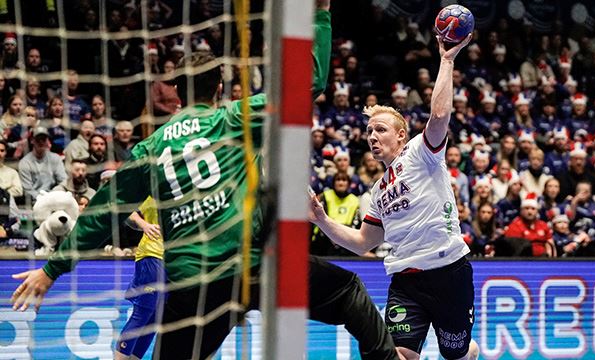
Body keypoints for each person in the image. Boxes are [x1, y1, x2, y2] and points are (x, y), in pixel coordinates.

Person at [11, 3, 400, 360]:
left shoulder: (151, 147)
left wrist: (52, 269)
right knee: (349, 292)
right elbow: (309, 85)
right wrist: (320, 15)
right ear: (218, 87)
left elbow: (102, 214)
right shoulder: (232, 119)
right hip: (252, 266)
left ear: (176, 90)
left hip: (193, 283)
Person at [310, 34, 479, 360]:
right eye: (370, 131)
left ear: (401, 135)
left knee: (457, 354)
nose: (373, 136)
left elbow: (440, 117)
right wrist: (321, 218)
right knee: (395, 355)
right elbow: (361, 242)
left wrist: (447, 59)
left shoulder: (421, 153)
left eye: (381, 129)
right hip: (405, 281)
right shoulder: (376, 192)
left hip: (449, 271)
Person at [115, 196, 165, 360]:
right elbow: (126, 209)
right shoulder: (151, 188)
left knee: (156, 317)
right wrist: (144, 225)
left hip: (173, 259)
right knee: (144, 312)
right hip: (152, 255)